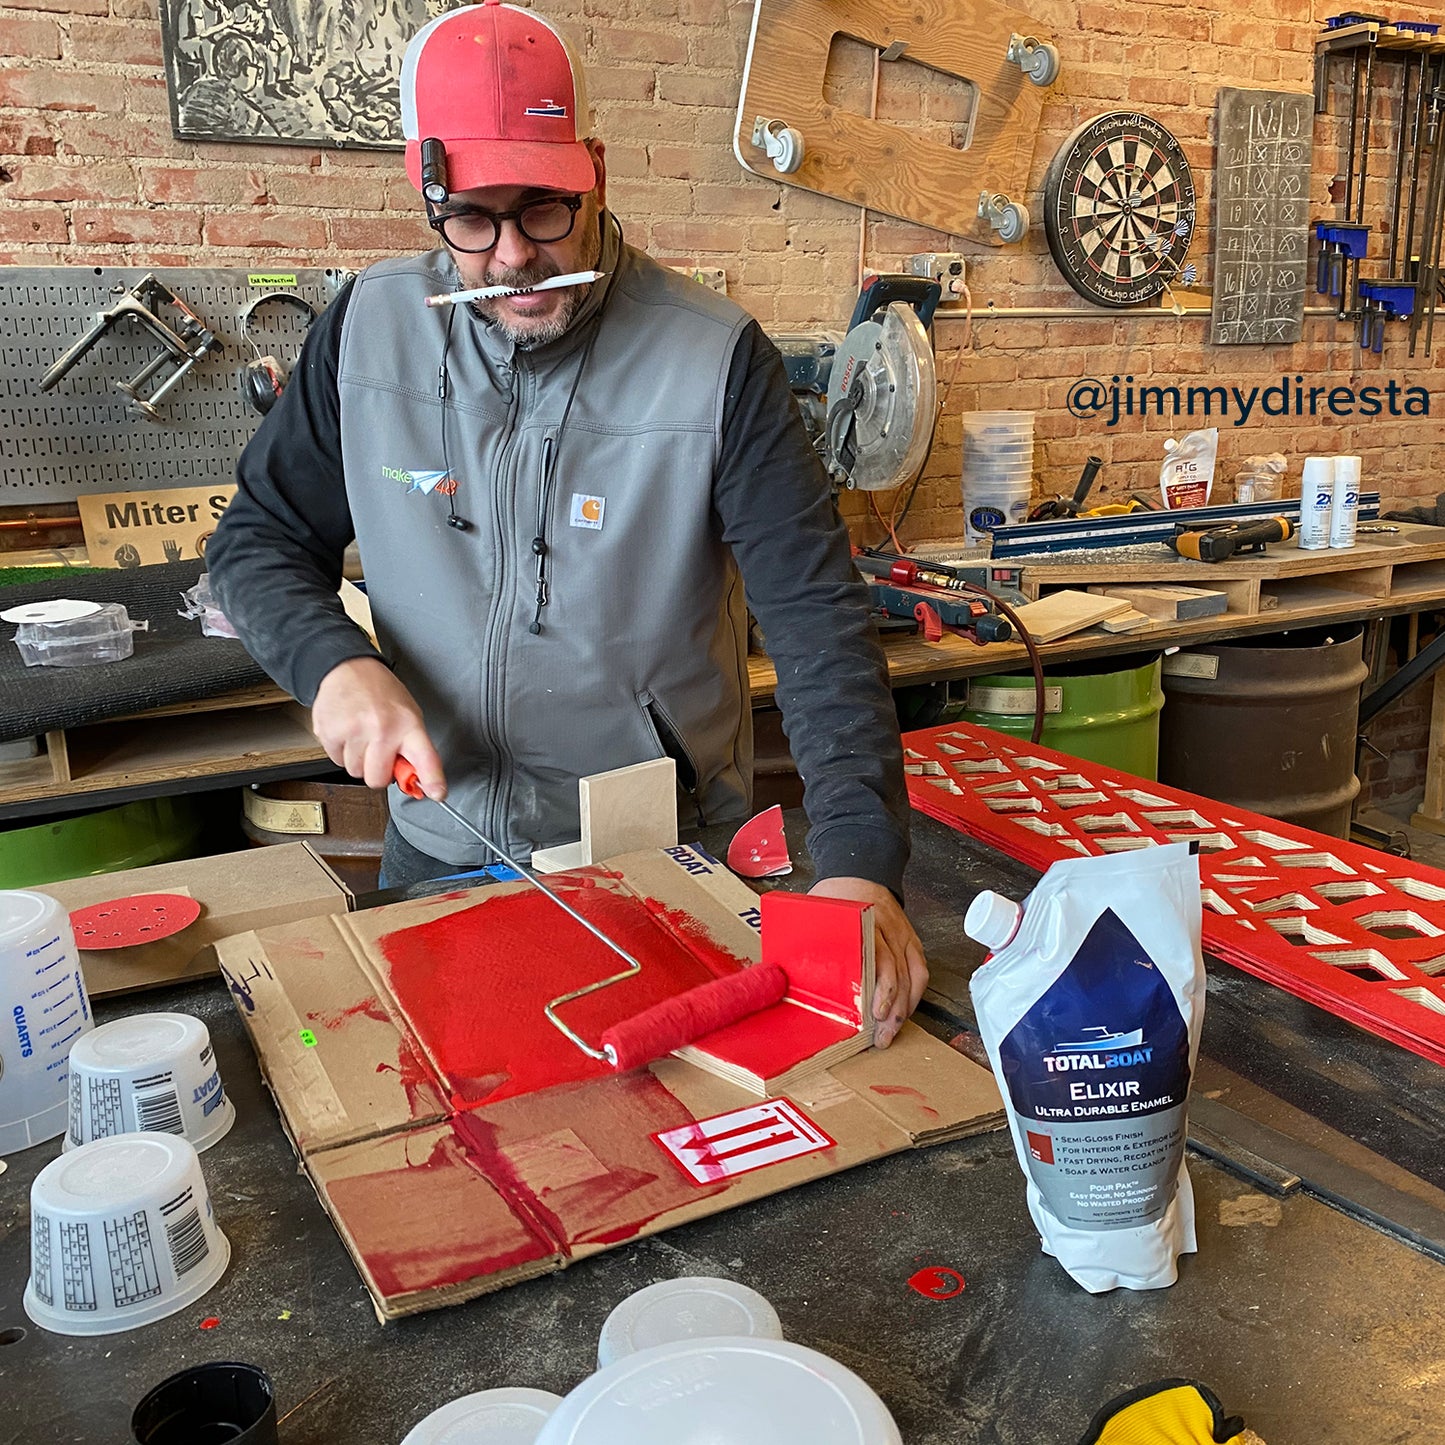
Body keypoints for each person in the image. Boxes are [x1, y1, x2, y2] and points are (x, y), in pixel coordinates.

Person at [207, 0, 928, 1045]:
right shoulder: (366, 333)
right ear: (427, 192)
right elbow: (259, 538)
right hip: (438, 855)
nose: (511, 258)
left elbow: (818, 624)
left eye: (545, 210)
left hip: (664, 862)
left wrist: (860, 865)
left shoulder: (713, 359)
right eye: (473, 220)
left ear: (593, 170)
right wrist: (333, 664)